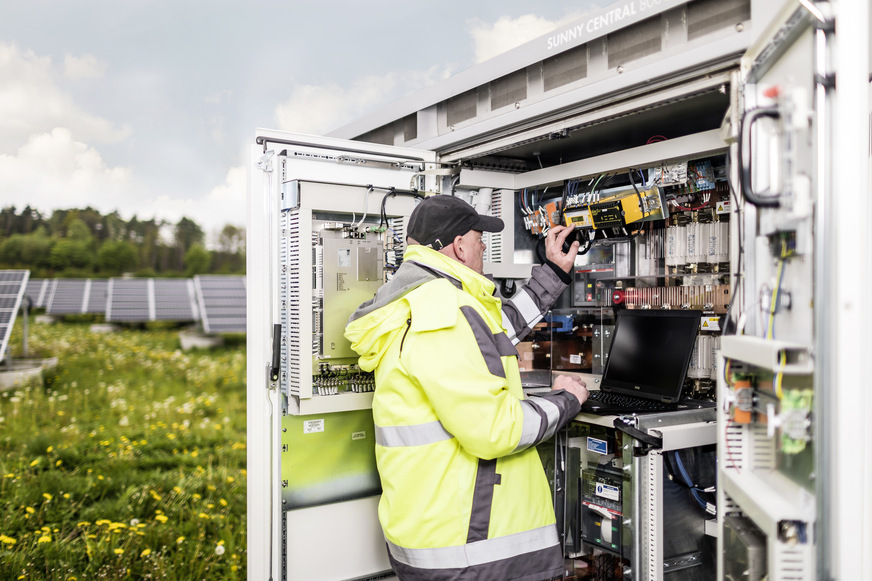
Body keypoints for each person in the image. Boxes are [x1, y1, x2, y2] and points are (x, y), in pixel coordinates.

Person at [345, 194, 589, 581]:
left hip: (438, 535)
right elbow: (495, 430)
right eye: (479, 240)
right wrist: (567, 399)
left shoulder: (415, 299)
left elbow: (494, 332)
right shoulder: (443, 308)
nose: (482, 248)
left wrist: (553, 274)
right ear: (459, 245)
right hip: (469, 550)